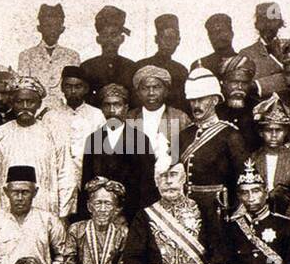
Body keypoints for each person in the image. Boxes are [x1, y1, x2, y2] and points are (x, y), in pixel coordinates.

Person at [123, 160, 219, 264]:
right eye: (163, 176)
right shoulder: (144, 215)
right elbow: (132, 257)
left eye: (173, 175)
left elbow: (220, 251)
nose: (168, 181)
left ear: (183, 179)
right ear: (156, 182)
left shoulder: (203, 210)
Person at [0, 75, 75, 219]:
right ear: (12, 103)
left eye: (30, 102)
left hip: (45, 210)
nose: (25, 107)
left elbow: (66, 176)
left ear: (39, 104)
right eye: (19, 102)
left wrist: (62, 215)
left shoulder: (54, 134)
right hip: (5, 212)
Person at [178, 67, 249, 228]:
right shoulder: (184, 135)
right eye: (192, 100)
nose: (196, 105)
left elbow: (244, 178)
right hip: (187, 210)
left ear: (215, 100)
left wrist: (236, 212)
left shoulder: (231, 135)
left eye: (201, 99)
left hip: (217, 209)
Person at [79, 83, 157, 220]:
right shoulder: (93, 139)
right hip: (100, 215)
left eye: (117, 105)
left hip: (132, 215)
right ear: (102, 109)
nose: (112, 110)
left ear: (126, 108)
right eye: (107, 105)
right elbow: (86, 181)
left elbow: (147, 185)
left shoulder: (139, 139)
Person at [43, 64, 105, 186]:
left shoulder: (96, 115)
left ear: (86, 89)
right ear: (62, 88)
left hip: (88, 177)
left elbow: (102, 152)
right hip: (58, 178)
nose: (72, 91)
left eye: (78, 87)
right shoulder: (50, 116)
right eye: (68, 86)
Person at [249, 93, 290, 219]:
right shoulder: (253, 158)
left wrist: (287, 219)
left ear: (285, 132)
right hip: (257, 215)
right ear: (261, 133)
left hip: (286, 216)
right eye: (269, 130)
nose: (274, 135)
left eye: (279, 130)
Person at [129, 64, 190, 166]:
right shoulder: (130, 118)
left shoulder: (180, 118)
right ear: (138, 93)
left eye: (156, 87)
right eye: (145, 88)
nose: (151, 93)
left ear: (166, 91)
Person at [17, 2, 80, 101]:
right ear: (39, 28)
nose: (52, 30)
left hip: (63, 110)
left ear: (62, 29)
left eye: (56, 26)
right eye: (48, 26)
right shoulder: (26, 56)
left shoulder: (72, 56)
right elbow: (24, 88)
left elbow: (75, 86)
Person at [82, 5, 137, 106]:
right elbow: (83, 100)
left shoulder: (132, 67)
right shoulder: (87, 67)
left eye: (114, 35)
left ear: (121, 39)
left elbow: (136, 100)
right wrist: (101, 95)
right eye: (105, 35)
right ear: (98, 39)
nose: (109, 40)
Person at [136, 14, 190, 112]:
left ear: (178, 40)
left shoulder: (181, 70)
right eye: (164, 37)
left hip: (173, 122)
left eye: (172, 38)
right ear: (156, 39)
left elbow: (184, 103)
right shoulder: (141, 66)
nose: (168, 43)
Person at [236, 1, 286, 95]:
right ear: (256, 24)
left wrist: (258, 84)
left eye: (273, 20)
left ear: (280, 23)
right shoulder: (246, 54)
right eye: (263, 20)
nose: (268, 25)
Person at [216, 53, 262, 149]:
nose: (239, 87)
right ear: (224, 83)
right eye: (234, 82)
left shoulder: (259, 108)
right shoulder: (214, 108)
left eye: (244, 83)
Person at [195, 12, 237, 77]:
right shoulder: (201, 65)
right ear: (209, 37)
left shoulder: (243, 62)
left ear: (231, 33)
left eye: (221, 31)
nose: (218, 36)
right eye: (212, 33)